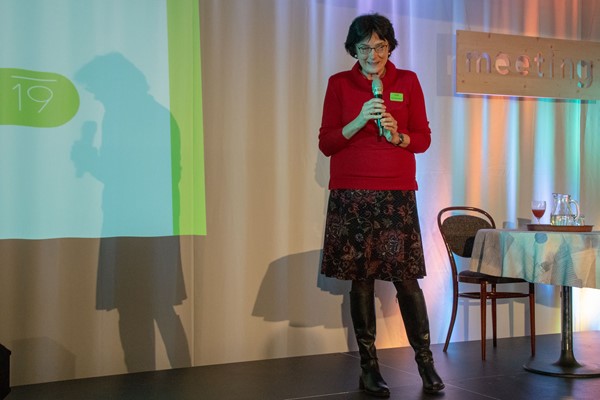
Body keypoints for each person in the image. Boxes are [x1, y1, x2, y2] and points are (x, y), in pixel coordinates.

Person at [318, 13, 444, 397]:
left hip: (395, 194)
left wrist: (398, 136)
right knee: (361, 280)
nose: (372, 55)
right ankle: (369, 367)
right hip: (352, 194)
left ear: (390, 47)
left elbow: (422, 138)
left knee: (406, 279)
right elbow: (327, 143)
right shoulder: (339, 84)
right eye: (364, 48)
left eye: (380, 46)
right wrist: (359, 120)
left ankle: (426, 364)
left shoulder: (408, 82)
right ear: (352, 50)